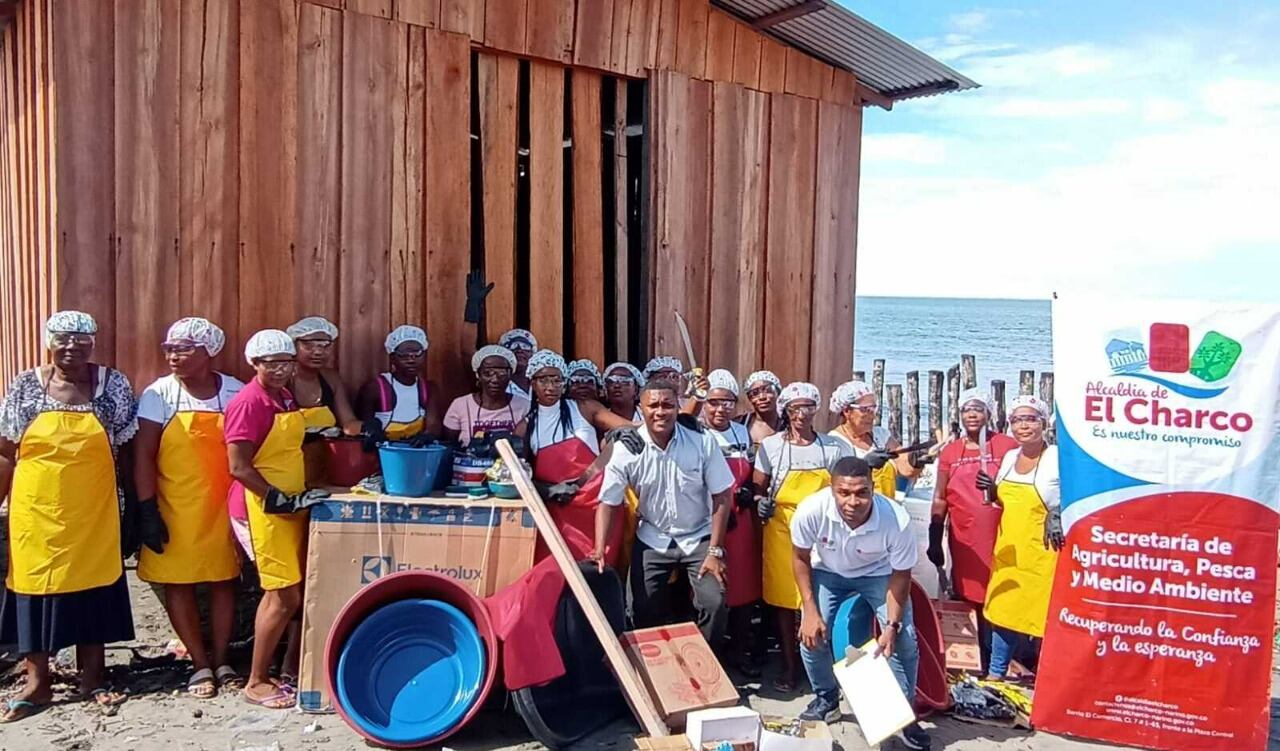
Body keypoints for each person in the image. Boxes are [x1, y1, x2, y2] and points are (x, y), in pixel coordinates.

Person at [0, 311, 137, 721]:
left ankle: (93, 677)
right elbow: (7, 451)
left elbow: (126, 449)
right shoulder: (26, 386)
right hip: (36, 511)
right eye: (63, 339)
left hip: (94, 509)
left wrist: (137, 508)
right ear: (49, 342)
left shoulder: (112, 385)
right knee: (35, 589)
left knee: (94, 585)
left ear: (93, 344)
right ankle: (37, 682)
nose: (72, 347)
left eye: (81, 340)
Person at [133, 318, 244, 699]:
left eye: (183, 348)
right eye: (169, 349)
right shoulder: (158, 395)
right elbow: (144, 455)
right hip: (174, 506)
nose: (173, 356)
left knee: (223, 578)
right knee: (178, 581)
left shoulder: (233, 391)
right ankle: (199, 664)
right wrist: (147, 509)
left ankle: (224, 659)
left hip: (223, 505)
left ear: (208, 351)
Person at [791, 456, 932, 749]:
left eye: (861, 492)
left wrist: (891, 624)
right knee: (811, 635)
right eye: (844, 492)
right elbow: (799, 558)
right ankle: (826, 698)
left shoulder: (897, 519)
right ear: (832, 490)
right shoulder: (810, 510)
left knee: (903, 638)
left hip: (879, 574)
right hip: (827, 571)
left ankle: (905, 715)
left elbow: (900, 575)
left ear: (873, 488)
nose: (853, 501)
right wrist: (809, 609)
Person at [225, 330, 329, 709]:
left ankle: (289, 666)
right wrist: (276, 496)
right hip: (261, 509)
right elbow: (238, 467)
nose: (281, 370)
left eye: (286, 362)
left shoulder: (283, 396)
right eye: (271, 364)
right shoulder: (248, 402)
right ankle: (256, 680)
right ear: (254, 365)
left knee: (297, 589)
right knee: (282, 594)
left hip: (290, 505)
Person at [594, 378, 734, 644]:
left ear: (678, 406)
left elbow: (722, 495)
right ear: (641, 408)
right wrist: (599, 548)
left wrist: (715, 551)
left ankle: (706, 666)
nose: (661, 412)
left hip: (699, 537)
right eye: (653, 405)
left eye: (668, 405)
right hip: (653, 536)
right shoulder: (626, 448)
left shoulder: (702, 441)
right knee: (641, 608)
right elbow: (608, 501)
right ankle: (657, 672)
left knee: (713, 603)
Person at [751, 382, 851, 692]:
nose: (801, 414)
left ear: (816, 410)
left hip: (822, 530)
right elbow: (758, 487)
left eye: (808, 407)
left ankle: (819, 664)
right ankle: (790, 664)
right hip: (782, 529)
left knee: (819, 599)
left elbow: (844, 486)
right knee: (785, 601)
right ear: (785, 411)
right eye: (795, 408)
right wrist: (760, 502)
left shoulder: (833, 448)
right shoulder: (771, 447)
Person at [518, 350, 636, 566]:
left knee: (603, 568)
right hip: (560, 508)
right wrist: (550, 491)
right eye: (544, 380)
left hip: (599, 502)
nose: (551, 386)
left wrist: (682, 418)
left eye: (557, 380)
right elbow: (519, 473)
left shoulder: (583, 408)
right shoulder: (527, 425)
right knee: (561, 570)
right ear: (532, 383)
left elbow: (631, 427)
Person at [927, 389, 1017, 672]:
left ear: (989, 413)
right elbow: (940, 496)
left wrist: (995, 490)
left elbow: (1023, 485)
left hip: (1003, 534)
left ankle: (1001, 661)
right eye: (967, 410)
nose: (972, 415)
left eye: (978, 409)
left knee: (1003, 594)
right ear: (960, 415)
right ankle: (976, 658)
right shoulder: (951, 452)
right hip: (965, 538)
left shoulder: (1007, 446)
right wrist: (934, 535)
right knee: (969, 595)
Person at [982, 395, 1061, 681]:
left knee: (1043, 616)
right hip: (1009, 549)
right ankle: (996, 674)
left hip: (1045, 552)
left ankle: (1047, 679)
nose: (1023, 426)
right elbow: (1002, 501)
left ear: (1043, 423)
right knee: (1004, 611)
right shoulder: (1009, 457)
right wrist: (990, 490)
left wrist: (1058, 513)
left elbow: (1078, 494)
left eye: (1030, 419)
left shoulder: (1056, 458)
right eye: (1017, 420)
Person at [702, 369, 763, 672]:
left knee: (744, 587)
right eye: (714, 401)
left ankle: (740, 651)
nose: (720, 408)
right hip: (711, 519)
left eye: (727, 402)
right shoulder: (697, 433)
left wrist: (748, 490)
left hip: (741, 520)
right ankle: (710, 654)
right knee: (712, 589)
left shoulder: (741, 432)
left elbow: (749, 470)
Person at [285, 316, 361, 486]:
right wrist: (312, 433)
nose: (318, 352)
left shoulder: (331, 379)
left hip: (323, 470)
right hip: (287, 468)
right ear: (294, 345)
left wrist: (370, 428)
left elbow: (348, 423)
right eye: (309, 345)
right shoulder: (282, 380)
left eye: (324, 346)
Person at [828, 380, 928, 498]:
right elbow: (840, 484)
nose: (872, 415)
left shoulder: (880, 436)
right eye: (865, 409)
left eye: (873, 408)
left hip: (884, 506)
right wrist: (866, 464)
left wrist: (917, 460)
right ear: (847, 411)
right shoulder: (835, 443)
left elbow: (906, 469)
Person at [356, 325, 442, 443]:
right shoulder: (375, 388)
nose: (411, 360)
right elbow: (365, 425)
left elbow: (433, 426)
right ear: (392, 358)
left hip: (415, 453)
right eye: (404, 355)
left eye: (417, 354)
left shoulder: (429, 389)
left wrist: (427, 436)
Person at [442, 345, 530, 447]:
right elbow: (450, 445)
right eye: (487, 373)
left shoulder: (524, 406)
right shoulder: (460, 405)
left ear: (510, 375)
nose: (495, 379)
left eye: (502, 373)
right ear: (478, 375)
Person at [737, 370, 784, 446]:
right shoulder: (739, 424)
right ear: (749, 399)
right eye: (755, 393)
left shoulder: (788, 425)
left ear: (778, 393)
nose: (762, 397)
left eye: (768, 390)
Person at [499, 328, 538, 400]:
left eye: (525, 346)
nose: (519, 350)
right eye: (513, 346)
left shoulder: (540, 383)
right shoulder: (499, 386)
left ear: (533, 353)